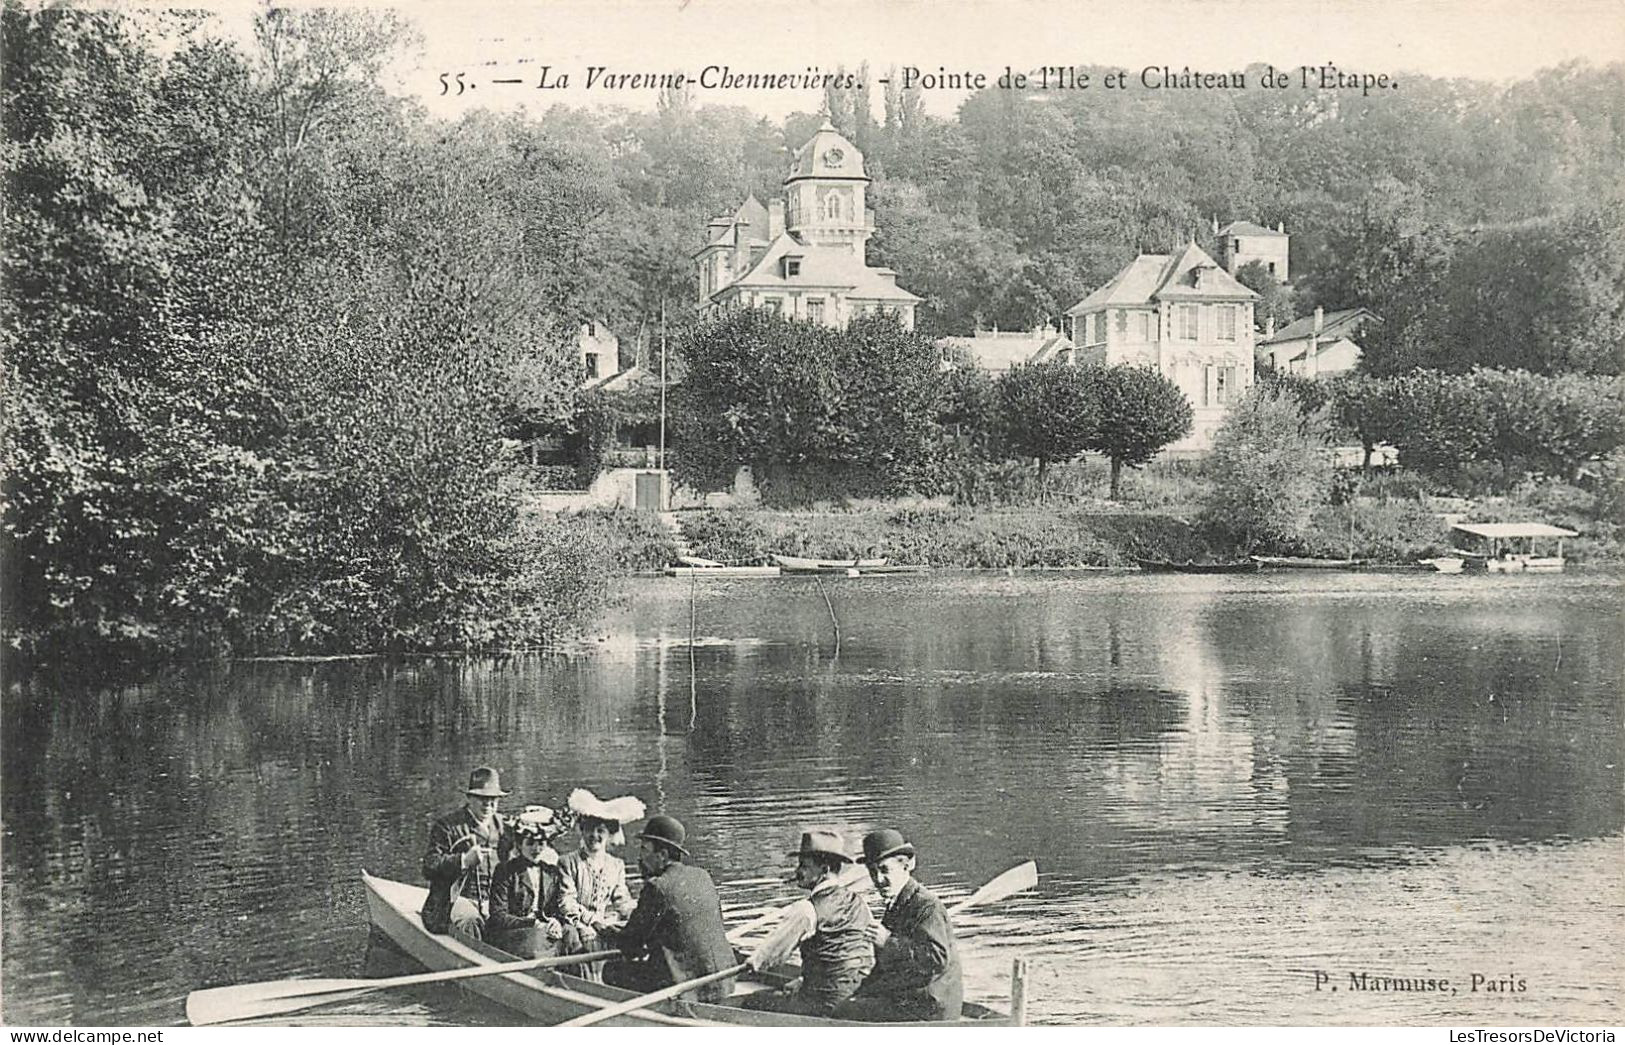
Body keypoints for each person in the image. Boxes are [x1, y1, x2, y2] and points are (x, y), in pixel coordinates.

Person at [604, 814, 738, 1003]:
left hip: (687, 988)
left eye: (644, 850)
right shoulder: (703, 876)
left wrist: (609, 933)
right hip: (724, 980)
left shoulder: (657, 887)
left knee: (612, 970)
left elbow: (630, 945)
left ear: (663, 855)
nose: (640, 857)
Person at [833, 829, 963, 1022]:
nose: (878, 880)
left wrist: (888, 942)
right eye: (872, 872)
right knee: (845, 1008)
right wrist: (858, 993)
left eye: (885, 870)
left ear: (908, 865)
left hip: (931, 1006)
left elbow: (937, 959)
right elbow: (887, 969)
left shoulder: (926, 906)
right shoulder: (898, 906)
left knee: (844, 1015)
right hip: (914, 997)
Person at [741, 829, 875, 1016]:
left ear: (825, 870)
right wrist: (804, 979)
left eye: (804, 866)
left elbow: (772, 954)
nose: (797, 872)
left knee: (753, 1001)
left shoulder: (806, 909)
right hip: (856, 996)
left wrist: (752, 963)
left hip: (823, 1002)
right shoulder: (859, 903)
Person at [555, 788, 644, 981]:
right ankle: (590, 984)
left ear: (608, 834)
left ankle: (616, 983)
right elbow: (566, 903)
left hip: (604, 923)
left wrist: (635, 914)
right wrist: (592, 920)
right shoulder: (567, 862)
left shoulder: (616, 865)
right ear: (582, 830)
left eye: (600, 831)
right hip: (577, 924)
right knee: (585, 936)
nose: (594, 835)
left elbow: (621, 899)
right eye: (589, 829)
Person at [421, 766, 509, 938]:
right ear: (469, 798)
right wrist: (463, 860)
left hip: (494, 901)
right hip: (457, 900)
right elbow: (429, 867)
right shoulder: (447, 826)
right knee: (470, 920)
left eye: (493, 799)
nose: (488, 804)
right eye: (482, 798)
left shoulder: (505, 826)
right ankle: (475, 960)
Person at [485, 805, 566, 959]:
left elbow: (558, 907)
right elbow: (498, 915)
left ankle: (579, 979)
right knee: (536, 939)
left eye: (541, 843)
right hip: (512, 933)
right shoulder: (505, 871)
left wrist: (556, 921)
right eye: (530, 843)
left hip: (542, 929)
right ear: (519, 845)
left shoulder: (552, 872)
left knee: (571, 934)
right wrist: (531, 923)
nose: (536, 848)